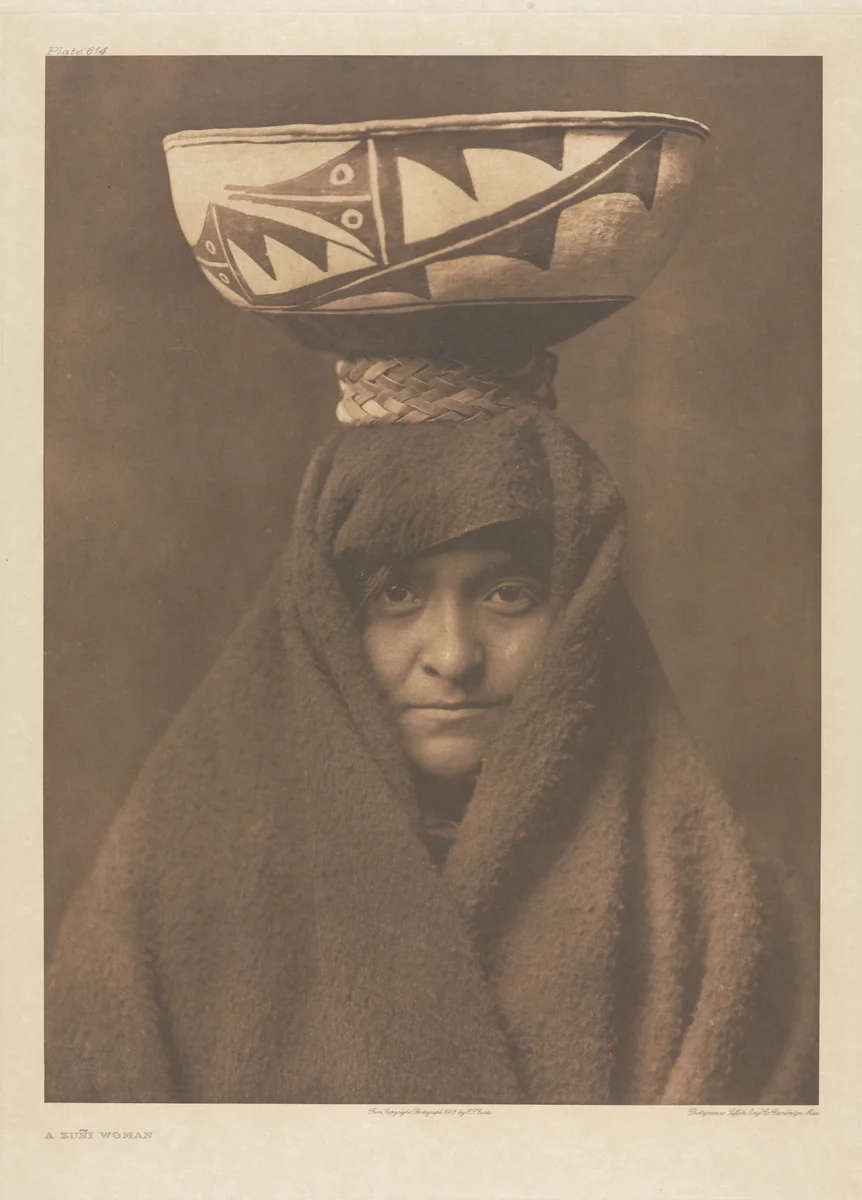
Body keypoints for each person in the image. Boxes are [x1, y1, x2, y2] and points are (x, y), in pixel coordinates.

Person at [45, 371, 818, 1104]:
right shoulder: (163, 887)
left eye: (508, 594)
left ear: (581, 621)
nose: (452, 656)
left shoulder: (724, 904)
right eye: (398, 594)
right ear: (328, 621)